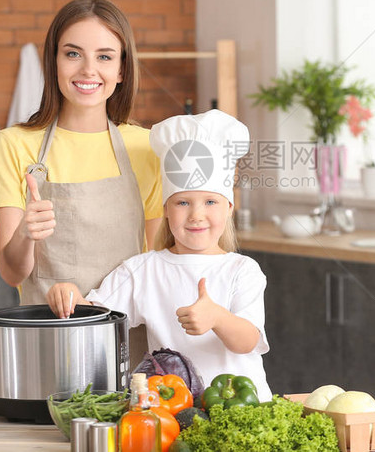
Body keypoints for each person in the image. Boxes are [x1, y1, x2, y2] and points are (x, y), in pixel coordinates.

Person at [46, 110, 272, 399]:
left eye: (211, 201)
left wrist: (217, 317)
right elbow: (94, 317)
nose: (197, 215)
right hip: (173, 411)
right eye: (183, 202)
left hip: (242, 408)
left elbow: (247, 340)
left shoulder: (242, 269)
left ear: (229, 208)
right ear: (166, 209)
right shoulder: (143, 270)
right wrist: (68, 295)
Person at [0, 0, 163, 309]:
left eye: (105, 57)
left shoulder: (149, 147)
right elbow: (11, 274)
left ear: (122, 70)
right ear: (53, 61)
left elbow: (159, 267)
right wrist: (26, 234)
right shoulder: (12, 145)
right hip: (47, 338)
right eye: (73, 54)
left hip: (129, 337)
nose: (88, 70)